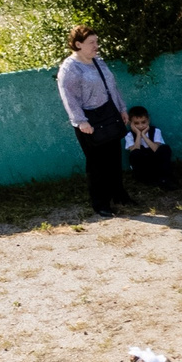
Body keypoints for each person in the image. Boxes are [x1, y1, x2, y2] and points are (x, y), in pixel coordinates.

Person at [56, 25, 131, 218]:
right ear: (78, 44)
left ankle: (119, 195)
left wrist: (121, 108)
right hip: (89, 122)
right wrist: (81, 121)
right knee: (97, 164)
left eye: (96, 42)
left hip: (109, 115)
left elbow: (112, 87)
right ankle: (100, 204)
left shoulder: (99, 62)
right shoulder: (70, 68)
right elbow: (68, 97)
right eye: (91, 43)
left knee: (114, 160)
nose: (96, 46)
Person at [122, 105, 176, 191]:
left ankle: (164, 178)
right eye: (136, 123)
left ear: (148, 120)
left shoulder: (156, 131)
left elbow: (156, 149)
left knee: (165, 148)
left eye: (143, 122)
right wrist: (138, 134)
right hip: (143, 167)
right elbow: (134, 151)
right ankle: (148, 180)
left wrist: (144, 135)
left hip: (155, 163)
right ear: (131, 123)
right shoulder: (129, 135)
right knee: (136, 153)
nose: (140, 126)